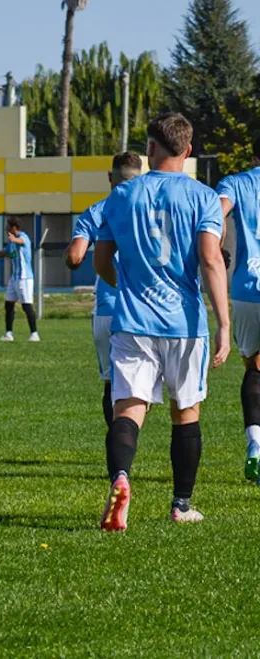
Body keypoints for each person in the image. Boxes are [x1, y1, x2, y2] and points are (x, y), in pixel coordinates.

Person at [94, 112, 229, 531]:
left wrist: (129, 282)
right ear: (187, 152)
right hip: (184, 324)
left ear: (150, 147)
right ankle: (182, 503)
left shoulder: (121, 195)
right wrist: (223, 323)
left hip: (132, 321)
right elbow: (209, 258)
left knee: (128, 410)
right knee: (185, 412)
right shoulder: (204, 197)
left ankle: (121, 478)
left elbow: (101, 261)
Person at [64, 151, 143, 427]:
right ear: (140, 178)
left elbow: (75, 257)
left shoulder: (97, 211)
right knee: (141, 387)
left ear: (110, 177)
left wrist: (70, 257)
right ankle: (127, 444)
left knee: (111, 384)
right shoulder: (149, 208)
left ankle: (117, 450)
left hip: (107, 309)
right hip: (145, 308)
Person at [216, 135, 260, 483]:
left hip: (247, 287)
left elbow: (217, 214)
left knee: (254, 366)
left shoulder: (236, 183)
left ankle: (255, 445)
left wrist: (217, 247)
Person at [0, 218, 39, 341]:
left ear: (14, 227)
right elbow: (2, 253)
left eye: (8, 226)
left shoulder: (23, 237)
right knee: (9, 304)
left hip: (24, 278)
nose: (6, 229)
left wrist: (14, 239)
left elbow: (22, 241)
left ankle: (34, 334)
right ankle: (9, 334)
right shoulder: (11, 244)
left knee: (26, 306)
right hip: (14, 278)